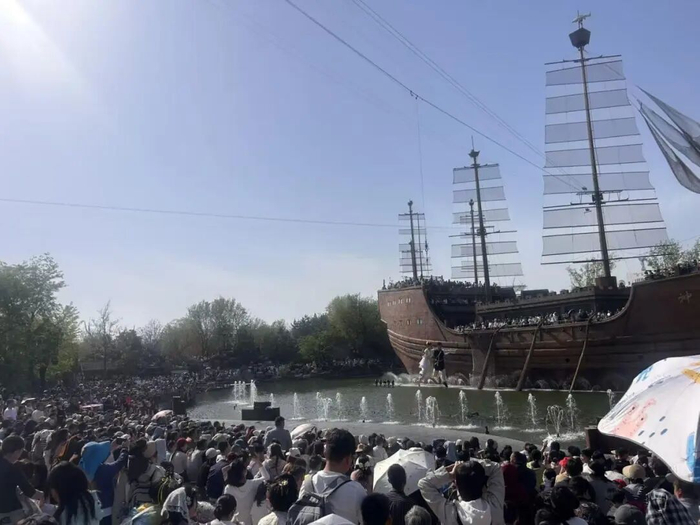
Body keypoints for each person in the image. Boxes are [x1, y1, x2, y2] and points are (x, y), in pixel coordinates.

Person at [299, 429, 367, 525]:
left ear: (325, 453)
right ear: (348, 459)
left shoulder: (307, 482)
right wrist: (353, 483)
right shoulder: (357, 490)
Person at [418, 459, 505, 525]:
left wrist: (450, 474)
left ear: (456, 484)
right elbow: (495, 467)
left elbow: (423, 483)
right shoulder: (495, 504)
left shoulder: (450, 513)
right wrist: (470, 466)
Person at [79, 440, 128, 525]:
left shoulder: (81, 469)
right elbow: (119, 463)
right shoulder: (102, 470)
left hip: (88, 512)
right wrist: (124, 449)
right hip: (106, 511)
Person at [0, 435, 44, 524]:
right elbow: (30, 492)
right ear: (17, 452)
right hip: (9, 511)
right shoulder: (12, 469)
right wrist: (42, 495)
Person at [224, 458, 266, 525]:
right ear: (244, 472)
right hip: (250, 521)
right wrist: (259, 462)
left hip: (235, 522)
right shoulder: (252, 484)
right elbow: (266, 477)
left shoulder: (228, 488)